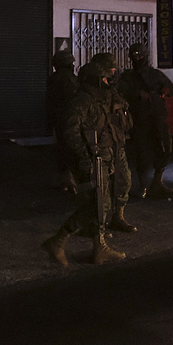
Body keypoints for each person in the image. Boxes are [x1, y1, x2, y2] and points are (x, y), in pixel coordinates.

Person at [41, 59, 129, 266]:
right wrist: (84, 158)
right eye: (106, 78)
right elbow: (70, 131)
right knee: (98, 204)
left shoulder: (100, 98)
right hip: (91, 158)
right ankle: (58, 240)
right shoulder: (82, 100)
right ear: (96, 79)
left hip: (103, 157)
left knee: (101, 204)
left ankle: (99, 248)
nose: (109, 81)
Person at [118, 43, 173, 199]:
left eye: (140, 56)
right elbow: (120, 93)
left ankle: (158, 181)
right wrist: (137, 94)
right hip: (140, 119)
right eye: (134, 56)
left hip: (157, 117)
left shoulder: (155, 74)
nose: (137, 59)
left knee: (164, 150)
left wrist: (164, 91)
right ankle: (143, 185)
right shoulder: (127, 77)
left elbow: (171, 88)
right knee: (141, 154)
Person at [90, 52, 136, 233]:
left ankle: (118, 217)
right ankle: (98, 227)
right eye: (111, 67)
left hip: (117, 142)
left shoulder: (113, 89)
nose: (114, 70)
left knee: (124, 180)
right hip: (101, 145)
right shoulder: (92, 90)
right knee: (101, 190)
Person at [46, 50, 79, 193]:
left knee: (61, 149)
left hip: (58, 120)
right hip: (69, 120)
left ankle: (65, 180)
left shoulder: (53, 79)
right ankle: (71, 181)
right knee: (71, 150)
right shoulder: (70, 80)